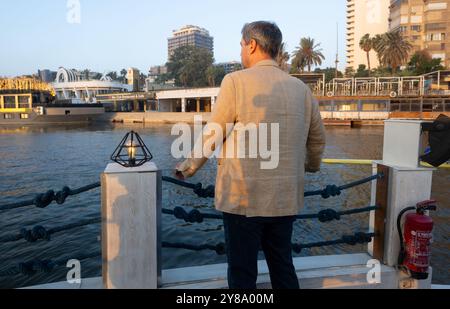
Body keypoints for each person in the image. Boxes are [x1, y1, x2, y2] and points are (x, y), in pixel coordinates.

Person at [176, 21, 326, 289]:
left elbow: (214, 132)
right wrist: (311, 166)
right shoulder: (301, 90)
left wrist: (188, 168)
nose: (241, 51)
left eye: (242, 45)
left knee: (242, 272)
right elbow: (317, 139)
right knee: (282, 266)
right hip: (285, 198)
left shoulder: (235, 82)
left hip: (242, 198)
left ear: (252, 45)